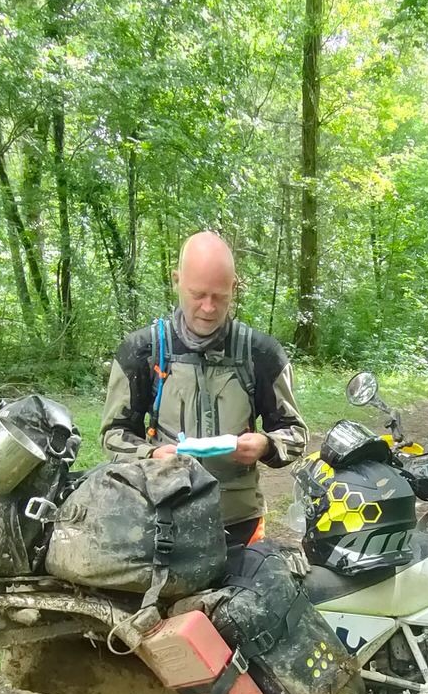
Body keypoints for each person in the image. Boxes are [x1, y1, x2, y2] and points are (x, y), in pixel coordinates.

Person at [101, 231, 309, 546]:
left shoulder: (262, 354)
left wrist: (266, 444)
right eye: (198, 294)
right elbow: (114, 435)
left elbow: (294, 433)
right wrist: (152, 454)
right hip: (163, 521)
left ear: (234, 288)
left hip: (241, 524)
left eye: (220, 296)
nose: (209, 308)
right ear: (176, 281)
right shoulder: (142, 351)